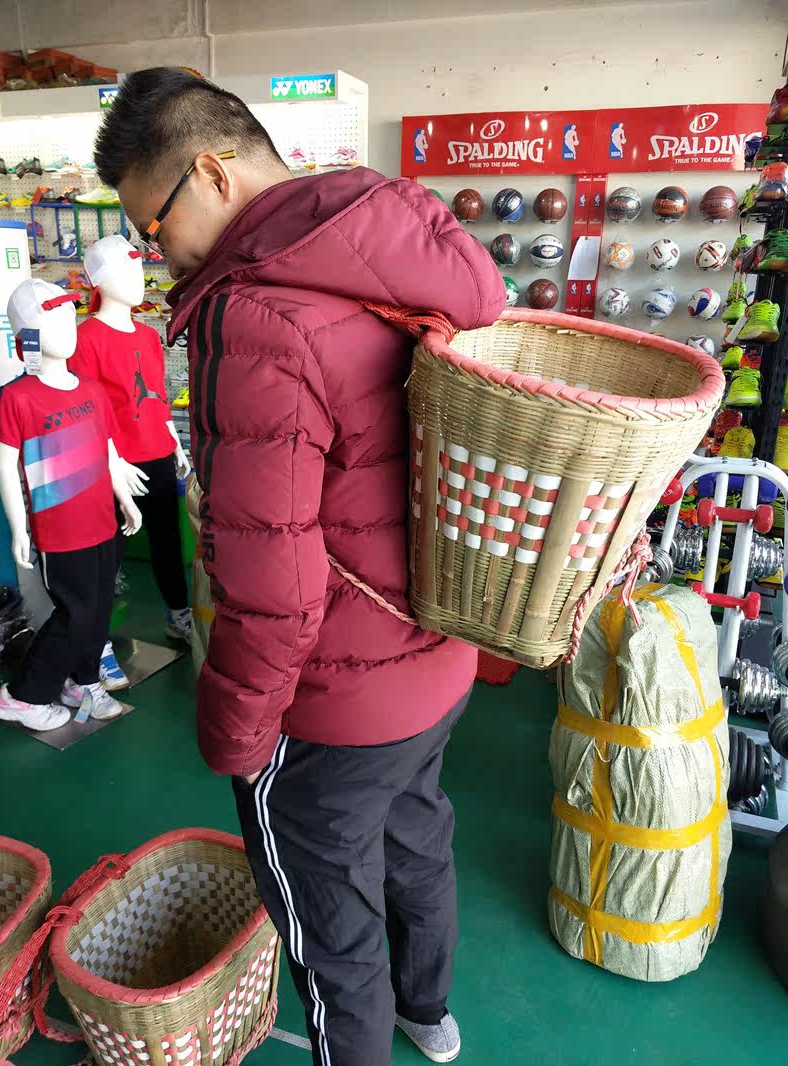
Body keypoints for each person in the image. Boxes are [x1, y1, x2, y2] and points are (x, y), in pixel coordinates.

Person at [94, 67, 505, 1066]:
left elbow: (270, 586)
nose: (155, 253)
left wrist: (236, 736)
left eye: (154, 225)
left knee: (331, 941)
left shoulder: (256, 319)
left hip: (330, 705)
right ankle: (430, 1012)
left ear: (212, 173)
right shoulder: (394, 253)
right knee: (416, 841)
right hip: (438, 655)